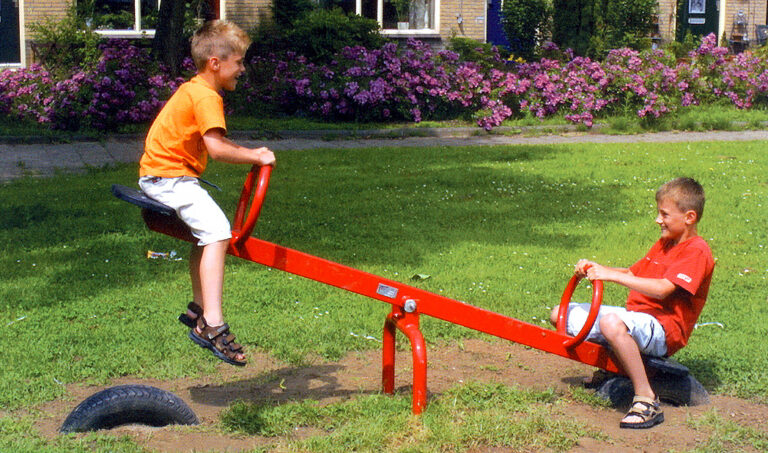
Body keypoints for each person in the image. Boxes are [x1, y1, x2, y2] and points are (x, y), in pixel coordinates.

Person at [138, 20, 275, 367]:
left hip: (162, 175)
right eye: (239, 61)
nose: (243, 69)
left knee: (205, 235)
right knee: (217, 232)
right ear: (215, 62)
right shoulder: (206, 96)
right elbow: (217, 148)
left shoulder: (194, 89)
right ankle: (212, 324)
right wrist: (257, 155)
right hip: (169, 178)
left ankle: (199, 309)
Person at [550, 177, 714, 429]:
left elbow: (663, 290)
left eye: (664, 214)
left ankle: (646, 399)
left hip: (664, 329)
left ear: (689, 217)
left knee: (612, 323)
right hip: (639, 317)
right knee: (560, 315)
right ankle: (614, 368)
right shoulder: (664, 244)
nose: (658, 219)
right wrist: (598, 268)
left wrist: (611, 276)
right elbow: (632, 273)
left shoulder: (697, 251)